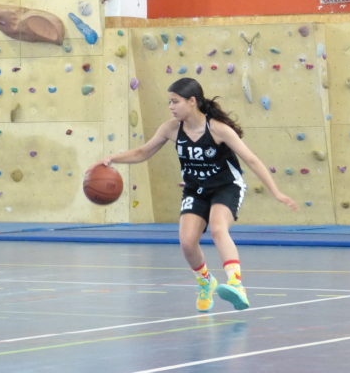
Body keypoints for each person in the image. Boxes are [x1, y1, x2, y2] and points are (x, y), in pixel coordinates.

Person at [91, 77, 297, 312]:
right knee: (187, 242)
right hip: (195, 189)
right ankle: (205, 282)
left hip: (226, 186)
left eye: (175, 101)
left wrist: (276, 192)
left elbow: (252, 160)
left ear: (192, 101)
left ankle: (236, 284)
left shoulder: (218, 129)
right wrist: (112, 159)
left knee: (218, 229)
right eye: (169, 102)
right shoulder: (170, 128)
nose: (171, 107)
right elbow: (143, 152)